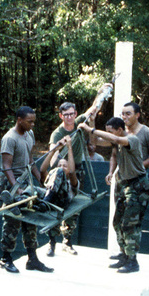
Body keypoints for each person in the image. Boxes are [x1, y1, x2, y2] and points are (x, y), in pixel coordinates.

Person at [80, 118, 149, 273]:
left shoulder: (131, 139)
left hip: (137, 185)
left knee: (130, 224)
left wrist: (89, 129)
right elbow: (98, 143)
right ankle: (124, 254)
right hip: (125, 185)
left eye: (110, 131)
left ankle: (133, 261)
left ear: (119, 129)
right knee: (117, 222)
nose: (108, 134)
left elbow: (115, 139)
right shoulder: (116, 142)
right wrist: (92, 123)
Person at [45, 87, 107, 256]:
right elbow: (51, 157)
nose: (70, 117)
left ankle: (67, 241)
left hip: (78, 170)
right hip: (61, 173)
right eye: (66, 115)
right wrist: (59, 151)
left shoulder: (80, 122)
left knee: (75, 206)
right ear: (61, 116)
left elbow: (94, 107)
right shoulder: (57, 133)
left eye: (72, 114)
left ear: (75, 113)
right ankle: (51, 243)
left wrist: (103, 91)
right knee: (56, 205)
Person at [0, 106, 52, 274]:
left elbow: (30, 160)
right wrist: (17, 189)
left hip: (25, 183)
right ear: (19, 120)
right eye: (30, 121)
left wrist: (41, 181)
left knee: (31, 220)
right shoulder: (9, 138)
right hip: (10, 184)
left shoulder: (29, 135)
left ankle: (32, 259)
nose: (32, 124)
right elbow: (6, 166)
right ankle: (5, 259)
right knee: (12, 221)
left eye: (34, 121)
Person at [40, 136, 80, 210]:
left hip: (61, 202)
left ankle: (46, 201)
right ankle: (21, 203)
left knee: (59, 171)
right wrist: (53, 150)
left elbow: (71, 172)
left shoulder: (72, 183)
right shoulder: (53, 178)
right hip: (48, 201)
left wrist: (69, 147)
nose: (61, 167)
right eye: (59, 165)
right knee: (32, 189)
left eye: (65, 166)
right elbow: (42, 171)